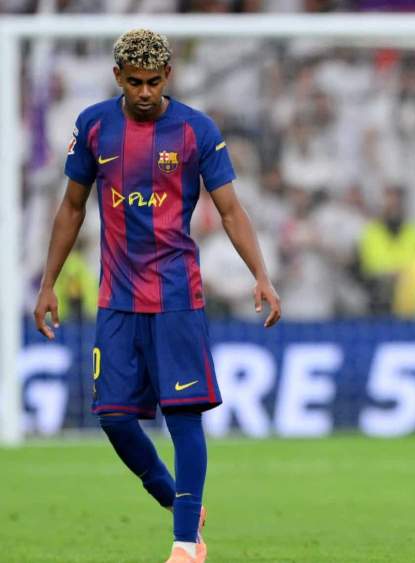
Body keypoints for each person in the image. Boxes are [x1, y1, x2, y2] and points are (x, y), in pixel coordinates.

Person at [32, 29, 281, 563]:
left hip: (176, 296)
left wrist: (260, 273)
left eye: (153, 81)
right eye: (134, 82)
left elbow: (231, 210)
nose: (144, 92)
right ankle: (176, 500)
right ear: (117, 77)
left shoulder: (196, 130)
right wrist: (48, 282)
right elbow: (72, 207)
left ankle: (186, 543)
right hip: (117, 299)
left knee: (184, 416)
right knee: (114, 418)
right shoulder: (94, 126)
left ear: (168, 76)